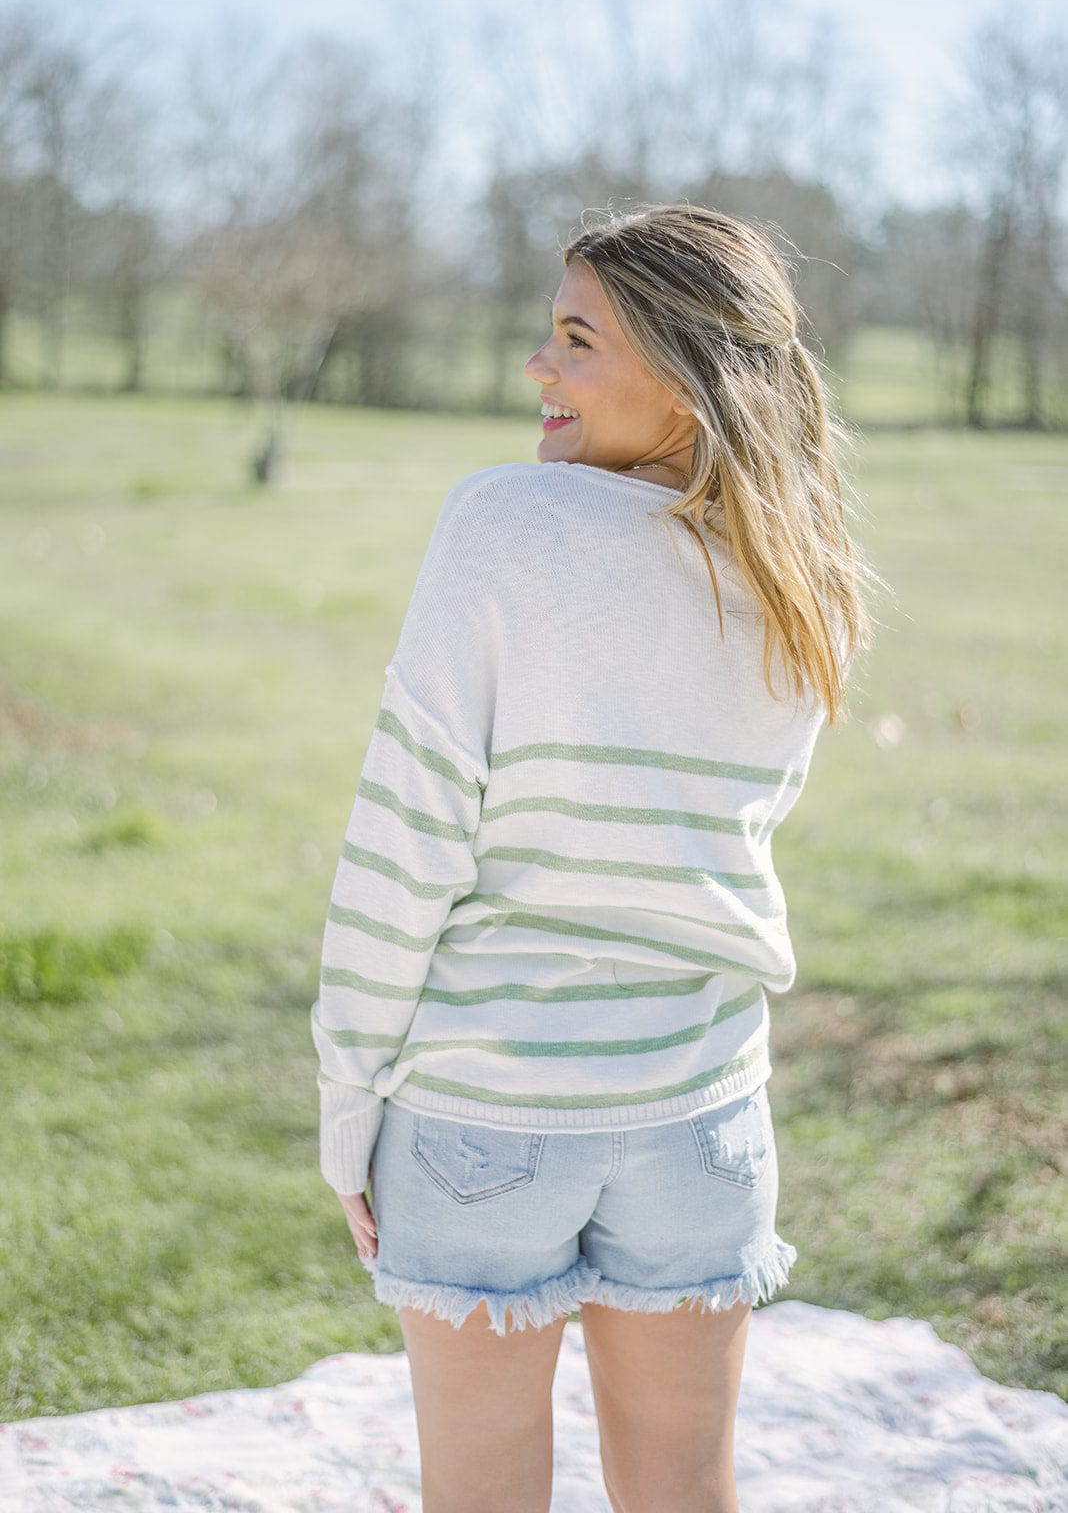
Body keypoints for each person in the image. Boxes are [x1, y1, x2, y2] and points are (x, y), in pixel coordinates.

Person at [310, 202, 872, 1513]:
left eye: (575, 338)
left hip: (483, 1118)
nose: (537, 367)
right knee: (685, 1489)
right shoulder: (801, 574)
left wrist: (350, 1104)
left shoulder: (505, 524)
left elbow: (407, 843)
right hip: (702, 1117)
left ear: (685, 380)